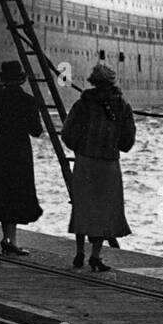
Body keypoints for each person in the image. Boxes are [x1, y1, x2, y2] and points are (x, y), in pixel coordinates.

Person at [61, 63, 135, 271]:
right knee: (104, 210)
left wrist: (81, 148)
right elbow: (127, 143)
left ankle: (79, 253)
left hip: (85, 162)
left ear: (93, 82)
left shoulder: (82, 104)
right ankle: (95, 255)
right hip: (108, 165)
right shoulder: (122, 106)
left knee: (83, 206)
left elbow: (67, 132)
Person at [0, 60, 43, 256]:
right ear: (21, 79)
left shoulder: (0, 98)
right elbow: (36, 131)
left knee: (2, 191)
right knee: (17, 193)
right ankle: (11, 240)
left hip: (1, 148)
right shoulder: (28, 101)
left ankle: (7, 238)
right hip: (20, 151)